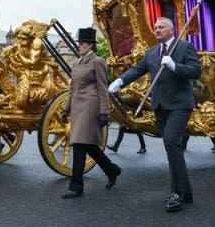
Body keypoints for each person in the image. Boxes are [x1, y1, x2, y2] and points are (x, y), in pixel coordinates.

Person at [109, 17, 201, 212]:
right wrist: (119, 81)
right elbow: (137, 70)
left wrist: (175, 66)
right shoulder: (152, 53)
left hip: (179, 105)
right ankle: (186, 191)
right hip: (160, 105)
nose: (156, 30)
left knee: (170, 142)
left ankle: (177, 193)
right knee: (172, 147)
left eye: (161, 27)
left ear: (171, 30)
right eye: (155, 27)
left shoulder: (184, 47)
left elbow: (195, 71)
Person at [61, 28, 120, 199]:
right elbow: (72, 89)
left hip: (90, 106)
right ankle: (112, 170)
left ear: (91, 46)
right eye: (80, 43)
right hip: (78, 107)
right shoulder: (77, 63)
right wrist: (66, 109)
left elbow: (103, 88)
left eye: (83, 43)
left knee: (79, 144)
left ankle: (76, 186)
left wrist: (104, 111)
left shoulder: (98, 61)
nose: (80, 46)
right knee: (89, 146)